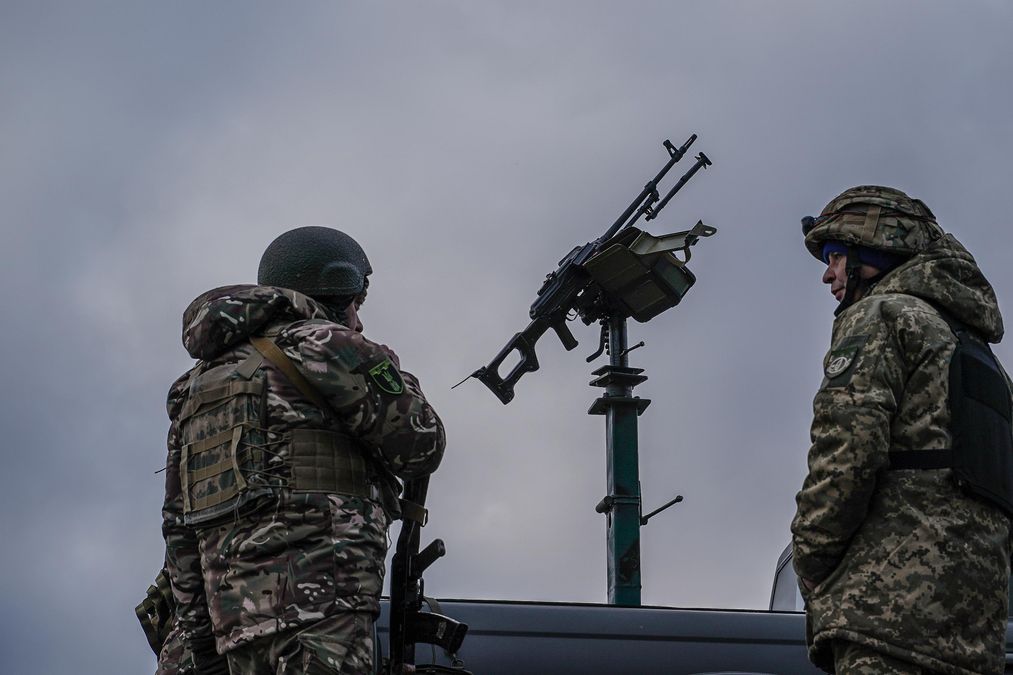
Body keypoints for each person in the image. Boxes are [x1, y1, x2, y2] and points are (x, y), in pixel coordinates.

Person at [161, 226, 445, 674]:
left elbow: (179, 525)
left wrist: (202, 642)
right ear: (333, 289)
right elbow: (422, 446)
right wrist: (394, 372)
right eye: (355, 303)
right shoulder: (328, 345)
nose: (358, 321)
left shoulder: (194, 388)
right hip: (322, 612)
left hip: (231, 630)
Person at [791, 186, 1013, 674]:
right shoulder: (981, 358)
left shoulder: (882, 316)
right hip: (976, 634)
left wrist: (810, 562)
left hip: (885, 617)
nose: (828, 274)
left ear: (871, 252)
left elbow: (846, 454)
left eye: (834, 256)